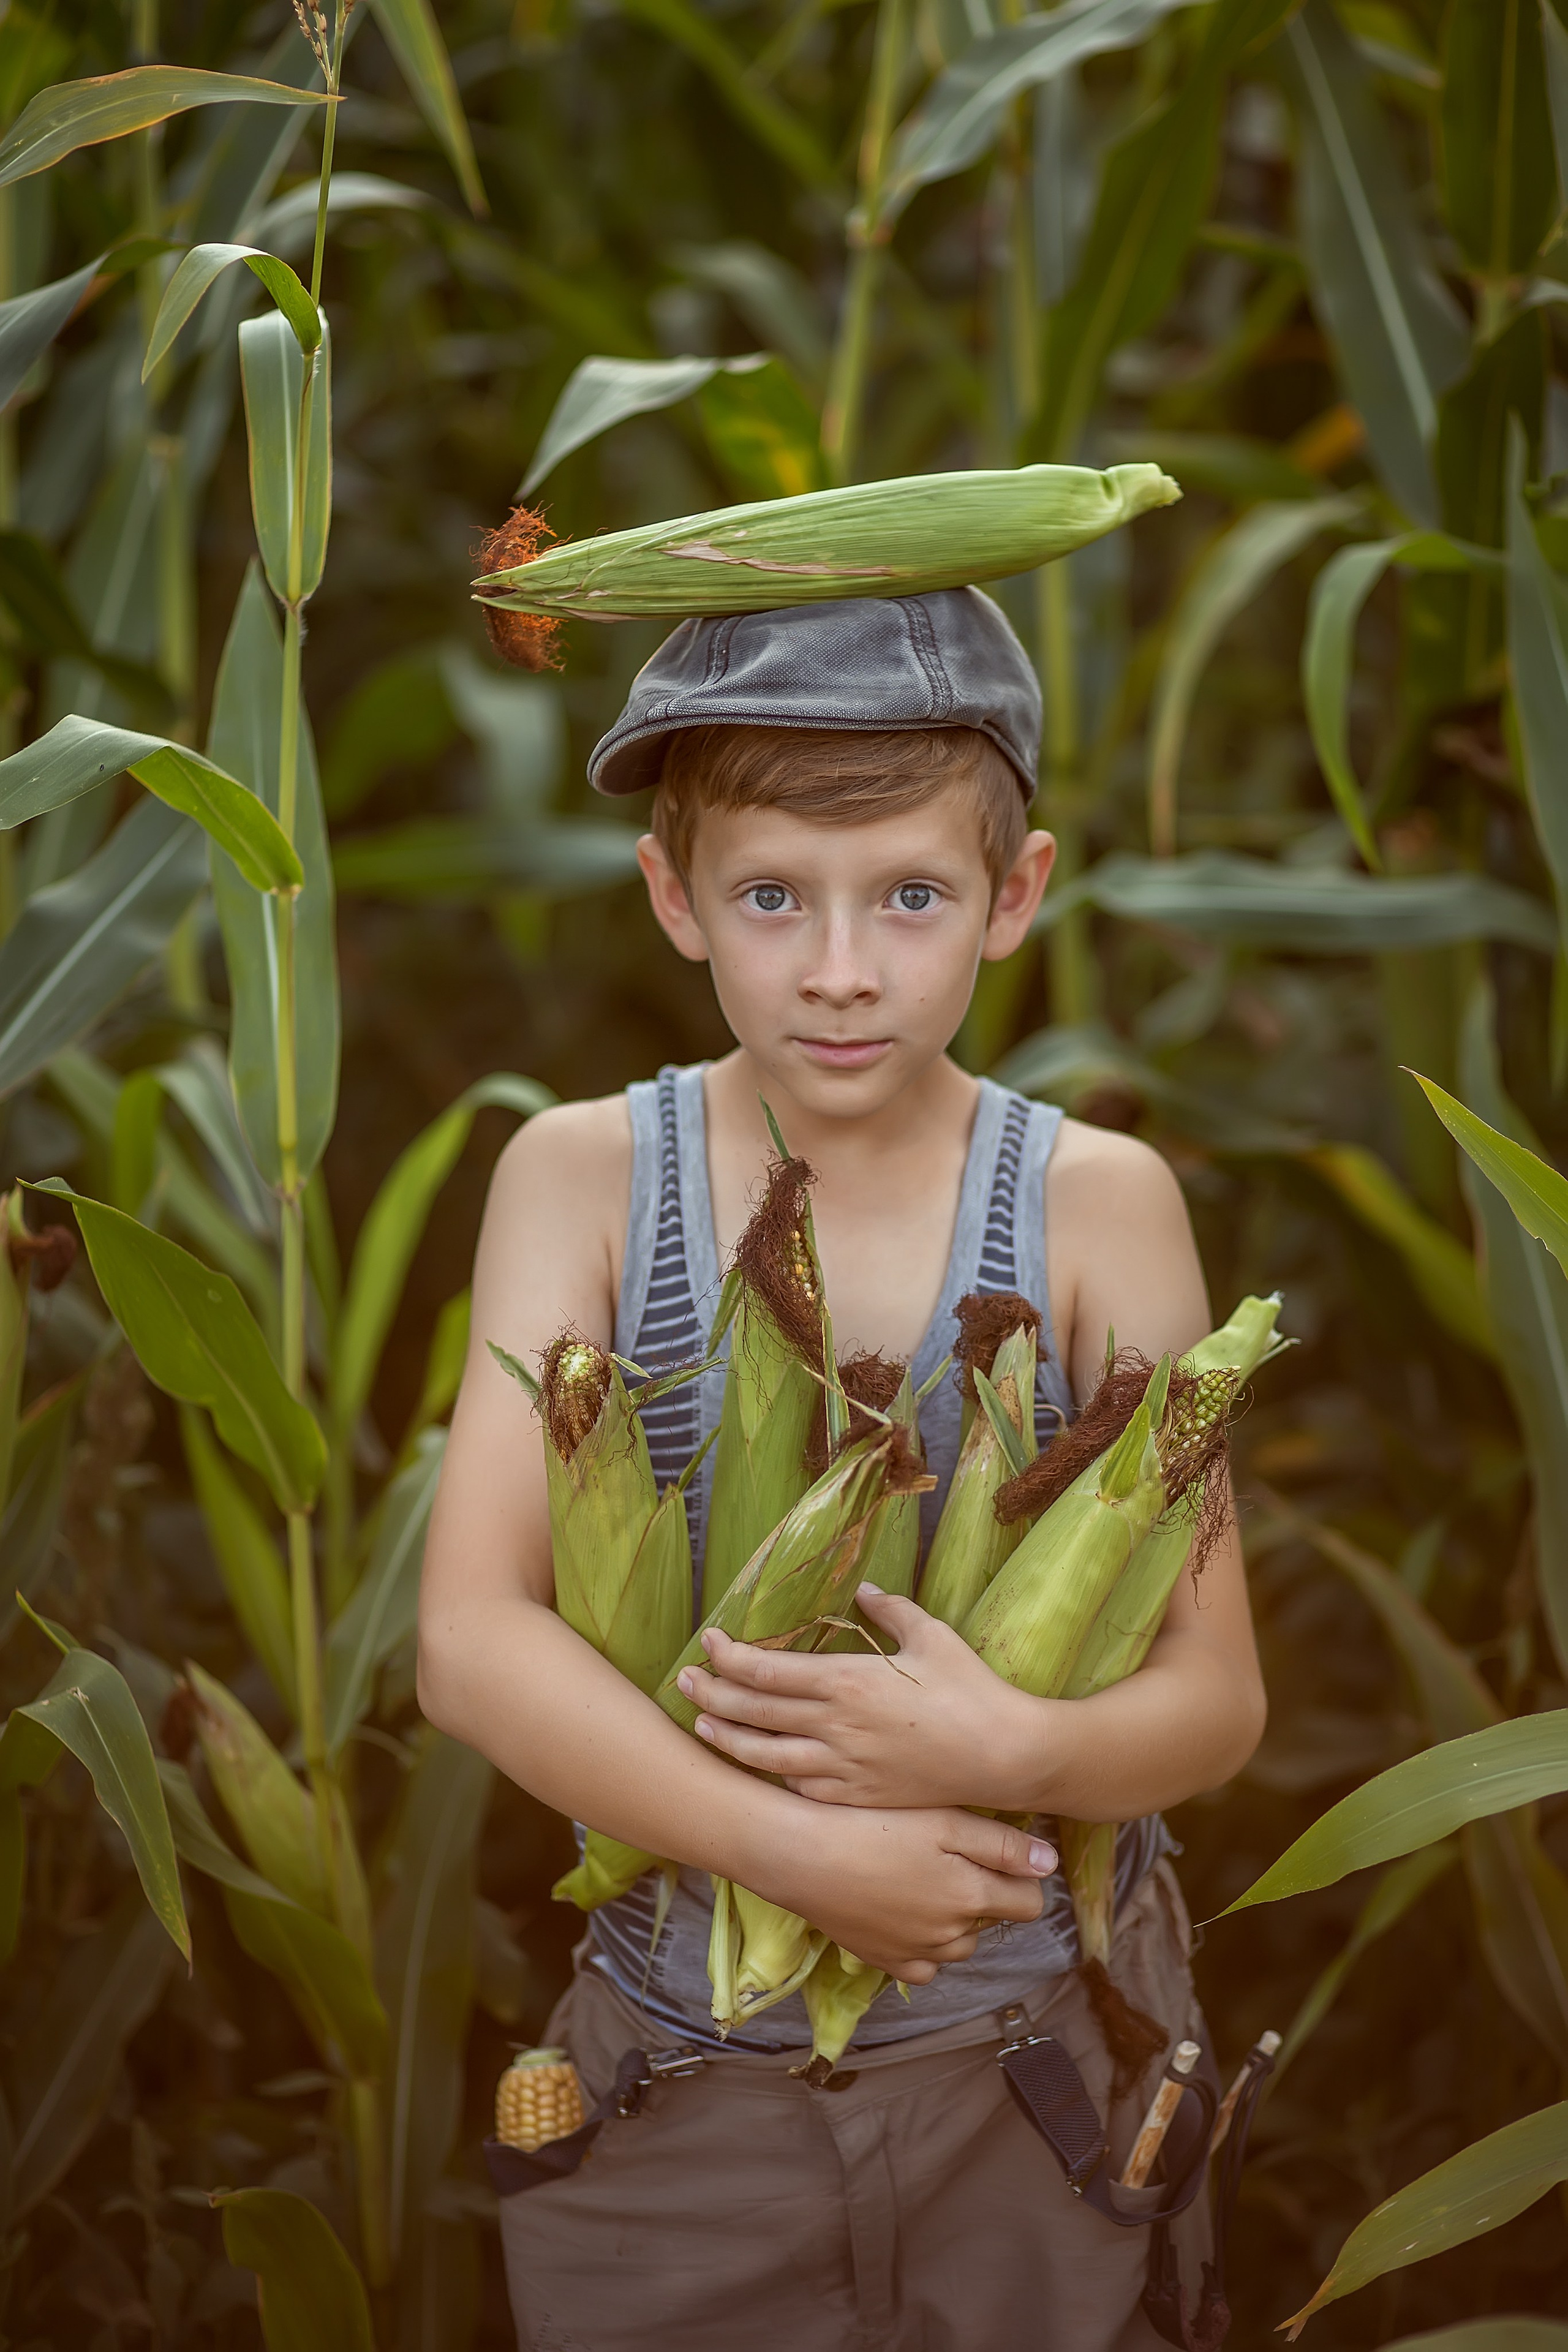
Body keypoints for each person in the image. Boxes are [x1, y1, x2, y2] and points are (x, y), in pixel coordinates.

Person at [417, 587, 1267, 2352]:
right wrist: (793, 1852)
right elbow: (470, 1643)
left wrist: (1010, 1751)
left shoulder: (1098, 1209)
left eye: (911, 897)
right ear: (674, 897)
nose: (841, 968)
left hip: (1041, 2085)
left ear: (1015, 895)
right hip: (682, 2085)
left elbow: (1217, 1696)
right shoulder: (583, 1181)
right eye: (771, 897)